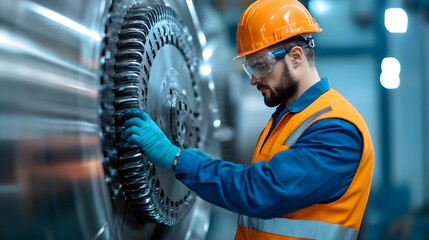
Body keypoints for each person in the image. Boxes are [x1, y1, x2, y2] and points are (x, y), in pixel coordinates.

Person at [121, 0, 374, 239]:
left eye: (260, 65)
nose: (253, 79)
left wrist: (177, 160)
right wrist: (202, 162)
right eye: (249, 67)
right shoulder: (287, 120)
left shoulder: (336, 129)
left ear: (296, 57)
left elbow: (261, 191)